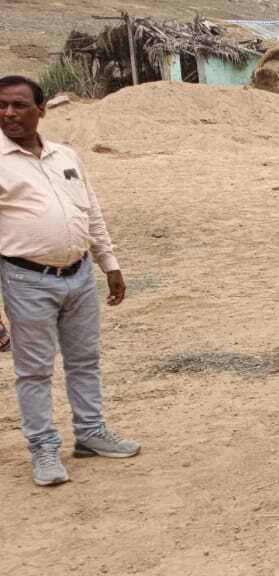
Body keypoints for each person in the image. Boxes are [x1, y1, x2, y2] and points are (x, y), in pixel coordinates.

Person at [0, 75, 140, 487]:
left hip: (79, 275)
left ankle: (91, 433)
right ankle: (43, 447)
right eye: (2, 106)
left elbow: (90, 211)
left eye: (19, 105)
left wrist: (109, 263)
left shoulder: (66, 155)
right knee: (34, 371)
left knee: (85, 360)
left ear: (41, 109)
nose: (9, 113)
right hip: (27, 279)